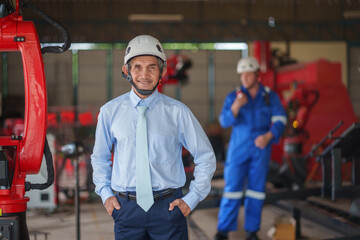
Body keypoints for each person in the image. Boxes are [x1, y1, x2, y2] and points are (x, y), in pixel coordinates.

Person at [91, 35, 216, 240]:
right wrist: (106, 195)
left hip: (168, 210)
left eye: (152, 67)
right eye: (138, 67)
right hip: (126, 210)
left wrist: (191, 199)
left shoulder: (178, 113)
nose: (144, 74)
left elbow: (206, 157)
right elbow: (100, 157)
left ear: (163, 72)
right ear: (126, 71)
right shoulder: (109, 112)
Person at [214, 57, 287, 240]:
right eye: (242, 75)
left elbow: (280, 119)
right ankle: (223, 231)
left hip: (261, 148)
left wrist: (269, 136)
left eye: (248, 74)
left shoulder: (270, 96)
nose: (245, 78)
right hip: (238, 148)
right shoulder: (234, 96)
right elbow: (224, 121)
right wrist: (236, 106)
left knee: (256, 190)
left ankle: (252, 231)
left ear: (257, 75)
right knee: (232, 189)